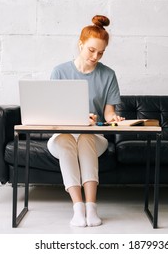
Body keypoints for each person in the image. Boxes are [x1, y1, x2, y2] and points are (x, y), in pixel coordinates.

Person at [47, 15, 124, 227]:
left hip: (94, 136)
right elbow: (52, 113)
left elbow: (108, 113)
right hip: (62, 135)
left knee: (86, 137)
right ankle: (77, 208)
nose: (95, 56)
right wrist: (79, 118)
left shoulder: (108, 75)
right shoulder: (60, 71)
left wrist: (112, 118)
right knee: (65, 139)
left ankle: (91, 207)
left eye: (100, 53)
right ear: (80, 44)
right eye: (91, 50)